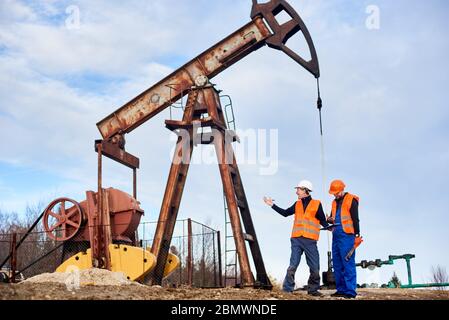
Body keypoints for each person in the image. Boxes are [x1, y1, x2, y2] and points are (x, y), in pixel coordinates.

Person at [263, 180, 329, 296]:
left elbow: (323, 220)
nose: (296, 192)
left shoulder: (317, 204)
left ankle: (313, 290)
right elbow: (285, 213)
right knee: (292, 266)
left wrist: (329, 227)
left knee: (314, 268)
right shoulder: (297, 204)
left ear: (305, 190)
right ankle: (287, 289)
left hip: (310, 240)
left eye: (298, 189)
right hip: (296, 239)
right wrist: (272, 205)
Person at [327, 179, 361, 299]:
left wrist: (357, 235)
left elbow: (355, 219)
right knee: (337, 263)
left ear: (342, 190)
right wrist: (329, 220)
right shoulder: (334, 202)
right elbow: (333, 217)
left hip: (347, 235)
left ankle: (350, 291)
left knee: (348, 263)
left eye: (336, 192)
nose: (335, 195)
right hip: (336, 235)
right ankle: (340, 289)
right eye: (333, 193)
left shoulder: (351, 199)